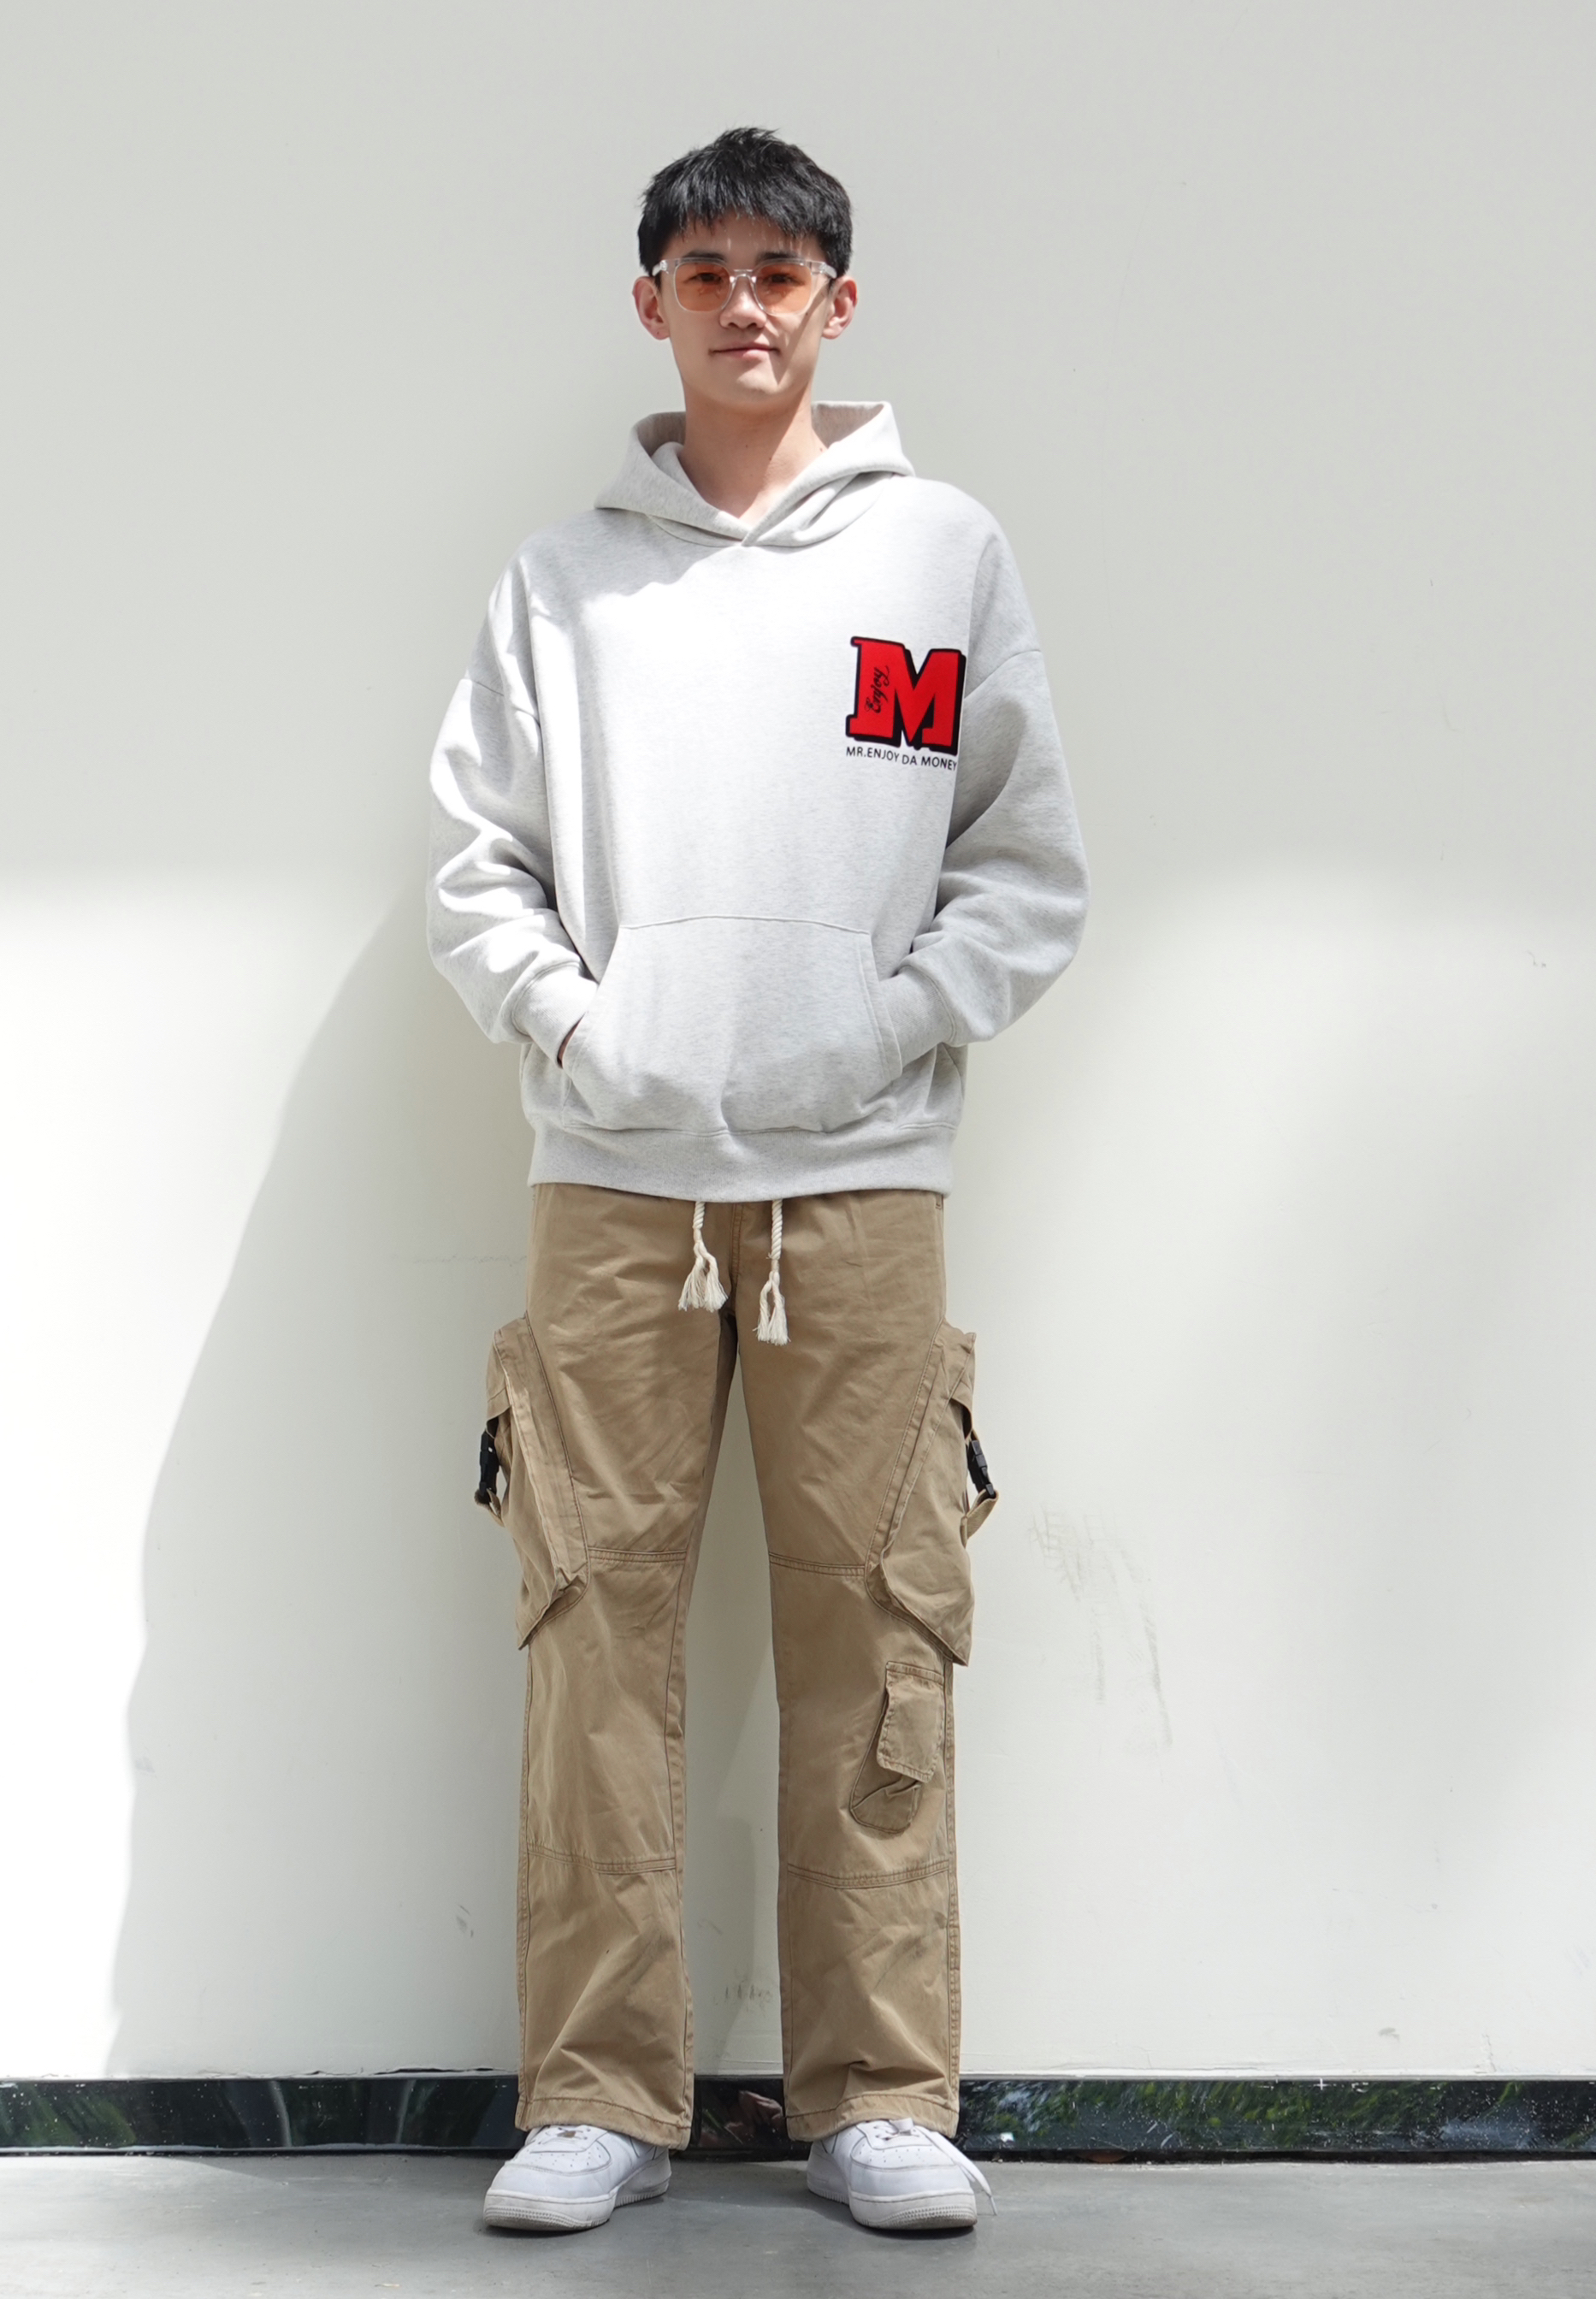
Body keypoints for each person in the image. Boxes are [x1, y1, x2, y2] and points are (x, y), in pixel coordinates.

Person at [427, 126, 1087, 2236]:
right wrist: (584, 1034)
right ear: (653, 302)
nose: (743, 304)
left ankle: (879, 2094)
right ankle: (594, 2096)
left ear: (836, 302)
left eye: (779, 272)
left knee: (880, 1627)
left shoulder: (942, 557)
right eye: (704, 270)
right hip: (613, 1187)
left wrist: (873, 1035)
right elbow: (475, 866)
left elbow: (1025, 869)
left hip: (864, 1187)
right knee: (591, 1634)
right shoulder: (566, 581)